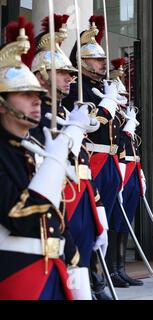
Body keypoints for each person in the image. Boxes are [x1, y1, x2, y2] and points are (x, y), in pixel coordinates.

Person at [0, 17, 89, 300]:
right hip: (17, 275)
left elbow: (56, 216)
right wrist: (55, 161)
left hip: (52, 271)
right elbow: (20, 216)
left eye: (38, 94)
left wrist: (75, 267)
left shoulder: (31, 150)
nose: (37, 100)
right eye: (25, 95)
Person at [30, 13, 107, 275]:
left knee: (80, 264)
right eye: (62, 73)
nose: (70, 78)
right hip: (56, 199)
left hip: (79, 193)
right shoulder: (37, 113)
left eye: (70, 73)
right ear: (41, 74)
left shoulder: (62, 111)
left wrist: (95, 200)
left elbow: (81, 159)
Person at [63, 15, 125, 298]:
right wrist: (108, 103)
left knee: (106, 221)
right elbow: (93, 123)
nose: (102, 64)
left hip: (109, 162)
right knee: (87, 222)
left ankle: (106, 271)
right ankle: (92, 279)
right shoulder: (79, 90)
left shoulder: (100, 88)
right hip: (92, 161)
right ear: (83, 62)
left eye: (101, 60)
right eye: (96, 60)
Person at [108, 58, 144, 286]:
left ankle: (121, 267)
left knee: (126, 222)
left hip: (131, 169)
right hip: (118, 169)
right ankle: (111, 269)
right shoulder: (111, 114)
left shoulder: (124, 114)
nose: (123, 98)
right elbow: (117, 143)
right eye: (119, 94)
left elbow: (134, 146)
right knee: (115, 222)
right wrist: (127, 130)